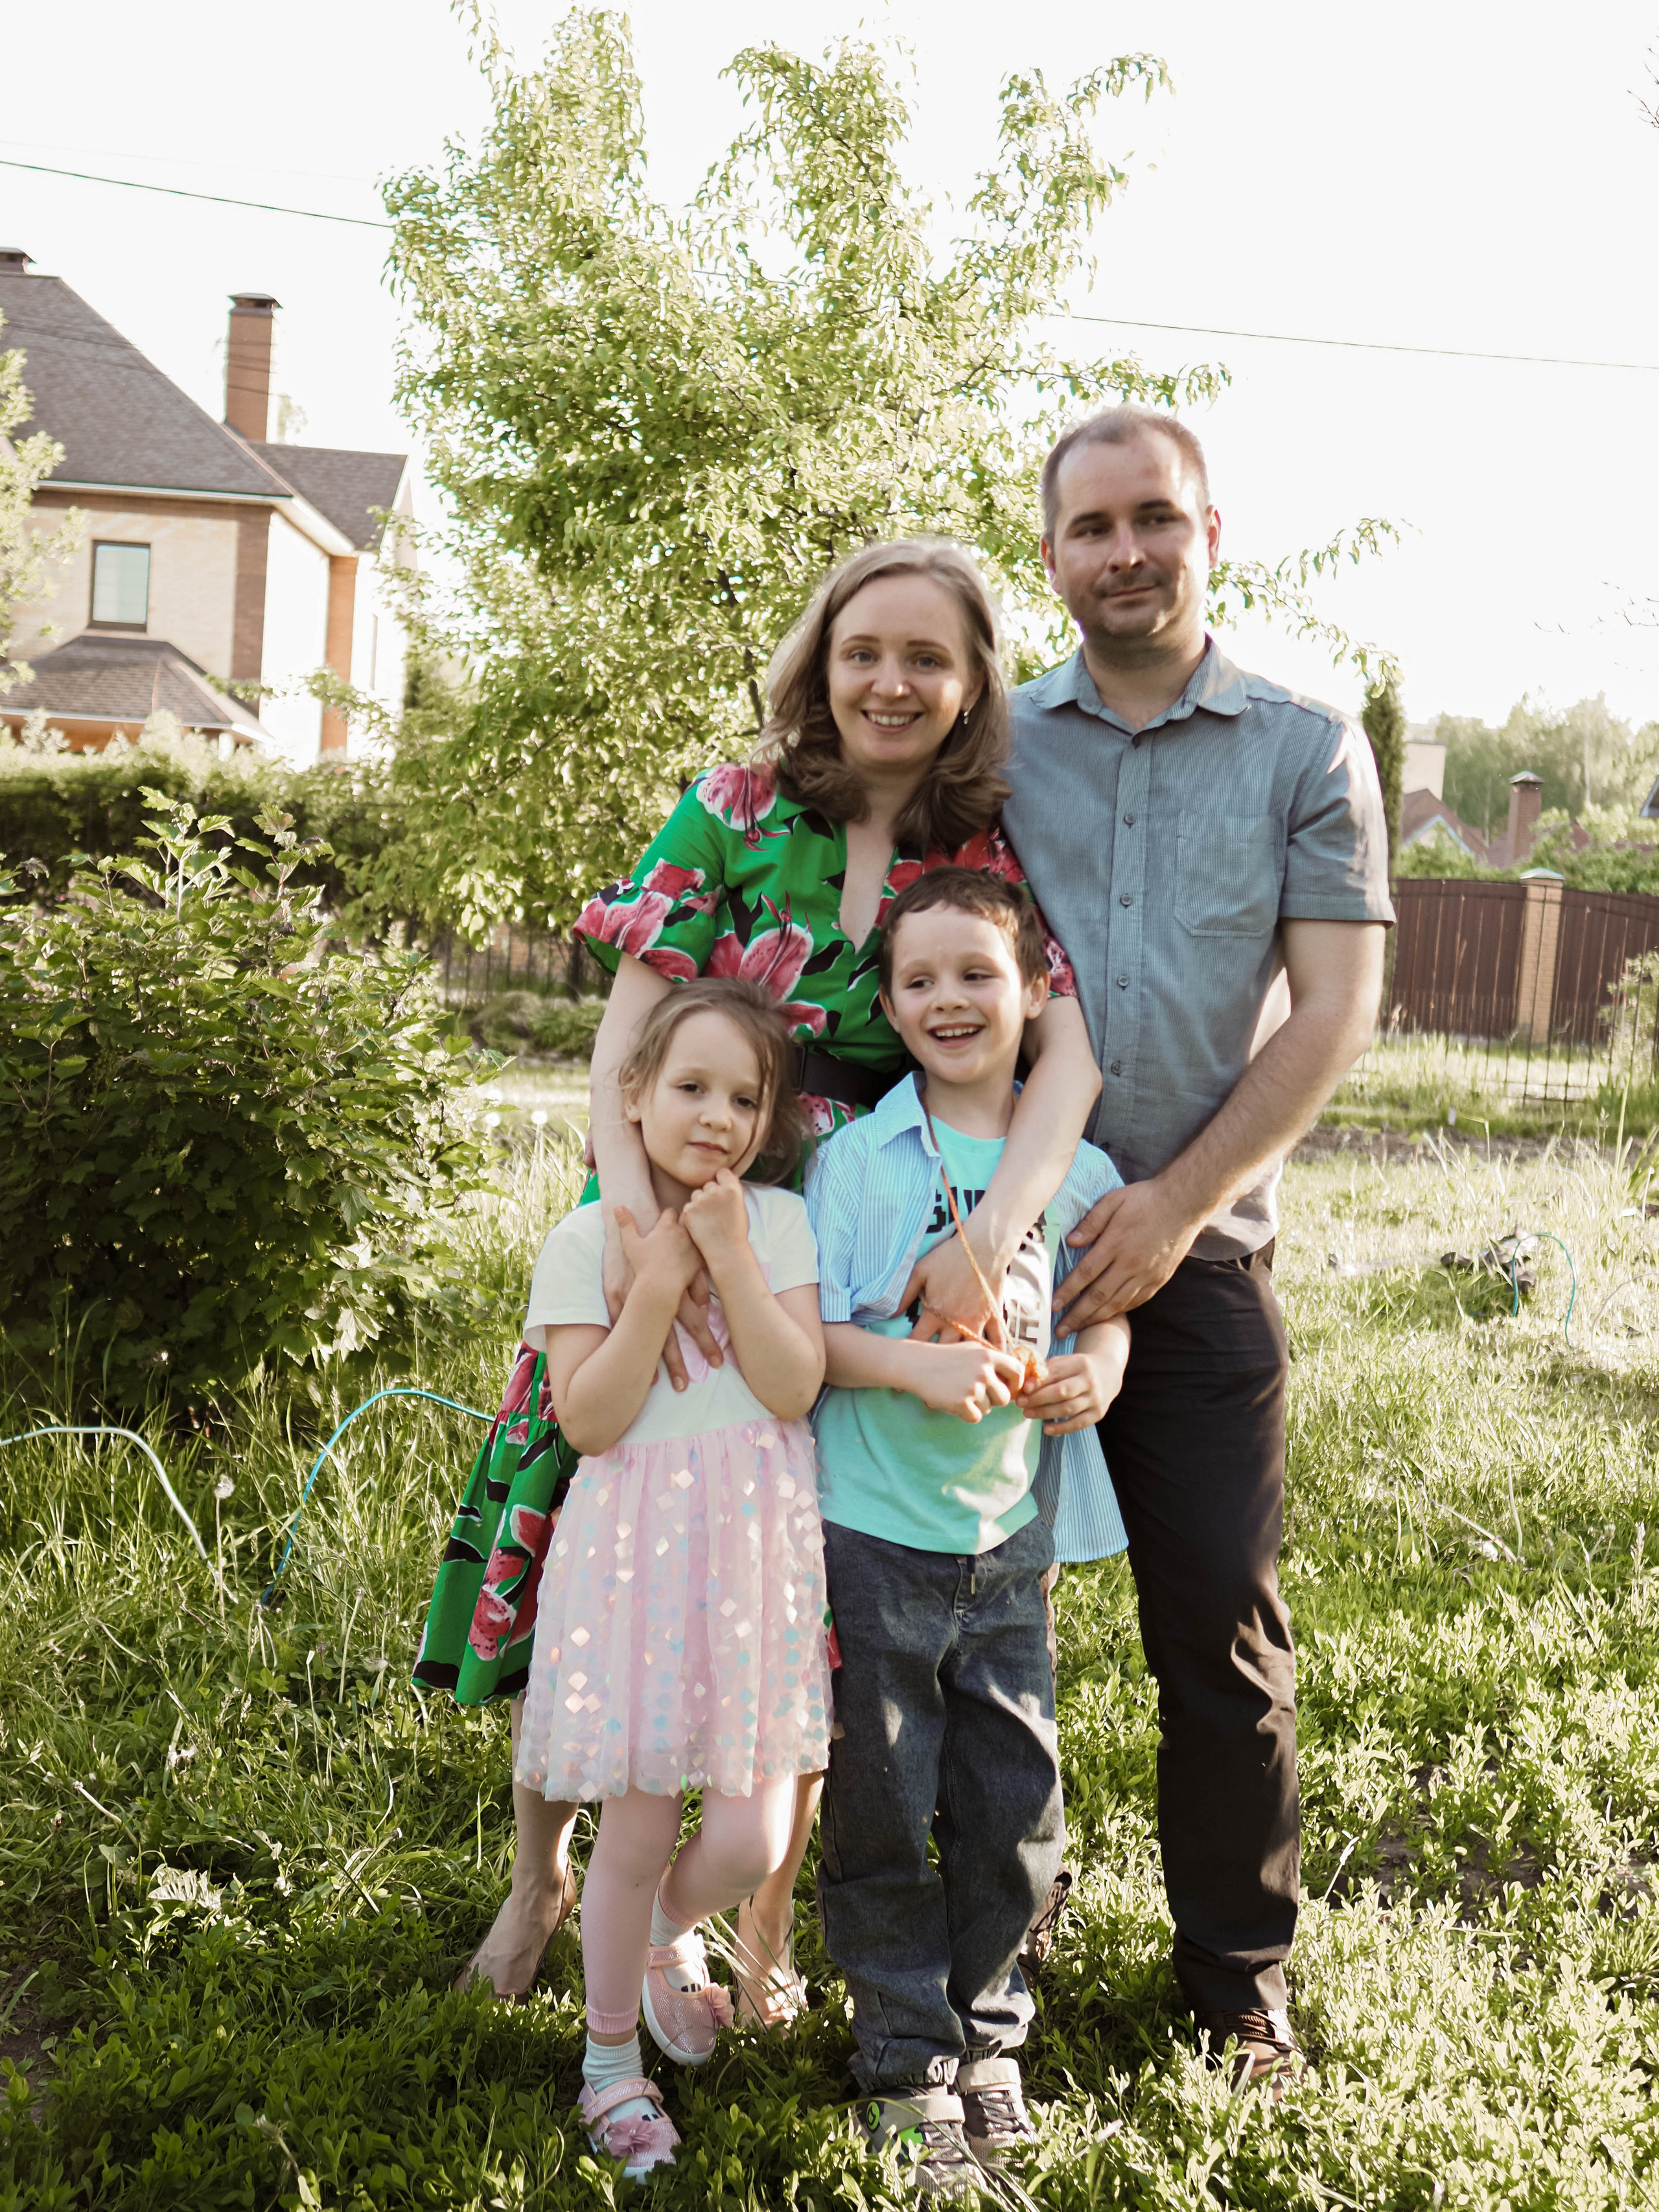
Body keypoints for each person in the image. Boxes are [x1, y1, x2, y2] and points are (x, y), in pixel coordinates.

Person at [416, 537, 1104, 2014]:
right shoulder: (731, 808)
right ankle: (540, 1878)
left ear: (974, 681)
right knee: (585, 1540)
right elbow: (625, 1039)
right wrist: (627, 1220)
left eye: (928, 656)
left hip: (821, 1266)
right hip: (662, 1221)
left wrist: (989, 1238)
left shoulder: (983, 851)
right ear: (821, 658)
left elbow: (1067, 1062)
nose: (891, 680)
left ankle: (757, 1934)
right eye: (864, 649)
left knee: (781, 1592)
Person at [999, 403, 1393, 2088]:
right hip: (1000, 1244)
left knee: (1220, 1624)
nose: (1126, 551)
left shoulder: (1309, 739)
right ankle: (972, 1950)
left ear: (1211, 528)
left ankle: (1238, 1975)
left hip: (1208, 1250)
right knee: (950, 1617)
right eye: (1093, 527)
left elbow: (1336, 1010)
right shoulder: (992, 746)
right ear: (1053, 557)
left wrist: (1169, 1209)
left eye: (1154, 517)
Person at [806, 868, 1130, 2196]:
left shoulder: (1083, 1167)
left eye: (976, 975)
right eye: (920, 979)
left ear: (1034, 992)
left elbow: (1106, 1307)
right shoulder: (856, 1159)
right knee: (880, 1805)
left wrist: (1097, 1364)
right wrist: (909, 1366)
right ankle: (900, 2060)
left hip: (1009, 1543)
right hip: (871, 1530)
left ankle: (988, 2038)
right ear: (886, 1003)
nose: (948, 999)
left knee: (1013, 1804)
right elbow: (808, 1336)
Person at [513, 977, 832, 2177]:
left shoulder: (780, 1226)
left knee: (752, 1833)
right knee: (638, 1821)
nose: (717, 1115)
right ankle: (607, 2066)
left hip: (755, 1559)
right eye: (689, 1087)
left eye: (744, 1096)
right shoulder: (586, 1241)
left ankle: (659, 1931)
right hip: (640, 1564)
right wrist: (655, 1279)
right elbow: (591, 1419)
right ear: (633, 1098)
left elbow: (794, 1384)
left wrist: (730, 1258)